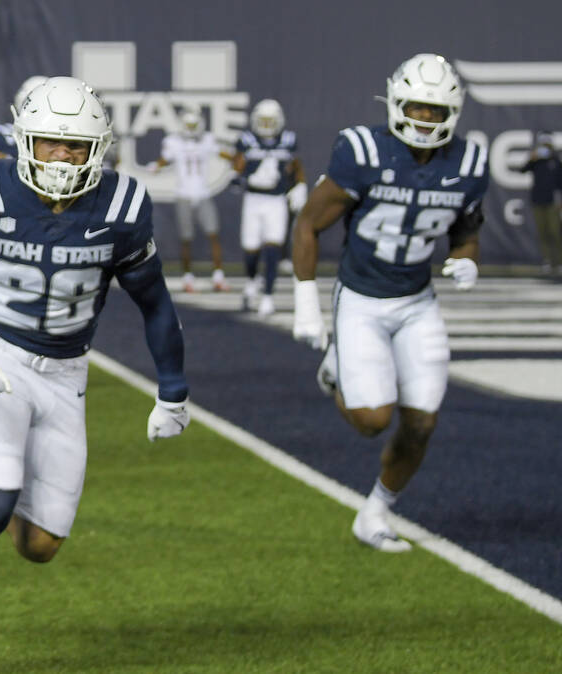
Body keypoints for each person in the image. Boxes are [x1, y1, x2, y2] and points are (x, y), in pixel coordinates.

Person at [0, 76, 191, 673]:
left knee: (40, 546)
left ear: (100, 148)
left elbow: (155, 300)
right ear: (23, 140)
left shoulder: (121, 206)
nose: (60, 157)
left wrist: (173, 391)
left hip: (67, 375)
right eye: (49, 143)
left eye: (75, 146)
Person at [291, 53, 487, 553]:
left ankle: (376, 511)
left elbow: (466, 232)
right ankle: (337, 367)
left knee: (421, 422)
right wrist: (306, 302)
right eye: (416, 108)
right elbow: (308, 224)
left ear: (452, 113)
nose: (424, 119)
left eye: (434, 111)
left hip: (417, 301)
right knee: (372, 422)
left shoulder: (467, 163)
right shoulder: (362, 151)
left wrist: (467, 259)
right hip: (360, 298)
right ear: (396, 104)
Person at [233, 98, 306, 317]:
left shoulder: (288, 140)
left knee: (273, 247)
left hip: (276, 200)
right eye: (262, 121)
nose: (266, 126)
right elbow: (237, 163)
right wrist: (239, 174)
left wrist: (300, 185)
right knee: (251, 249)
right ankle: (252, 279)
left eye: (270, 121)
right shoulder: (246, 140)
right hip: (254, 200)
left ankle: (268, 296)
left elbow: (296, 165)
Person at [157, 109, 232, 293]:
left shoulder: (207, 140)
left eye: (193, 125)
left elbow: (222, 153)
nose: (190, 129)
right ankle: (188, 277)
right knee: (186, 239)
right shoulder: (173, 142)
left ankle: (218, 275)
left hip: (203, 193)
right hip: (184, 194)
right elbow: (164, 160)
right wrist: (156, 166)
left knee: (213, 234)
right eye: (188, 125)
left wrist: (237, 158)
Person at [514, 132, 562, 274]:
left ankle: (559, 261)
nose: (545, 148)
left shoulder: (555, 160)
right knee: (543, 232)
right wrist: (531, 158)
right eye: (543, 145)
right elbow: (522, 170)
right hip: (537, 200)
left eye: (547, 145)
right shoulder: (536, 161)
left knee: (555, 232)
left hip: (552, 201)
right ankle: (547, 260)